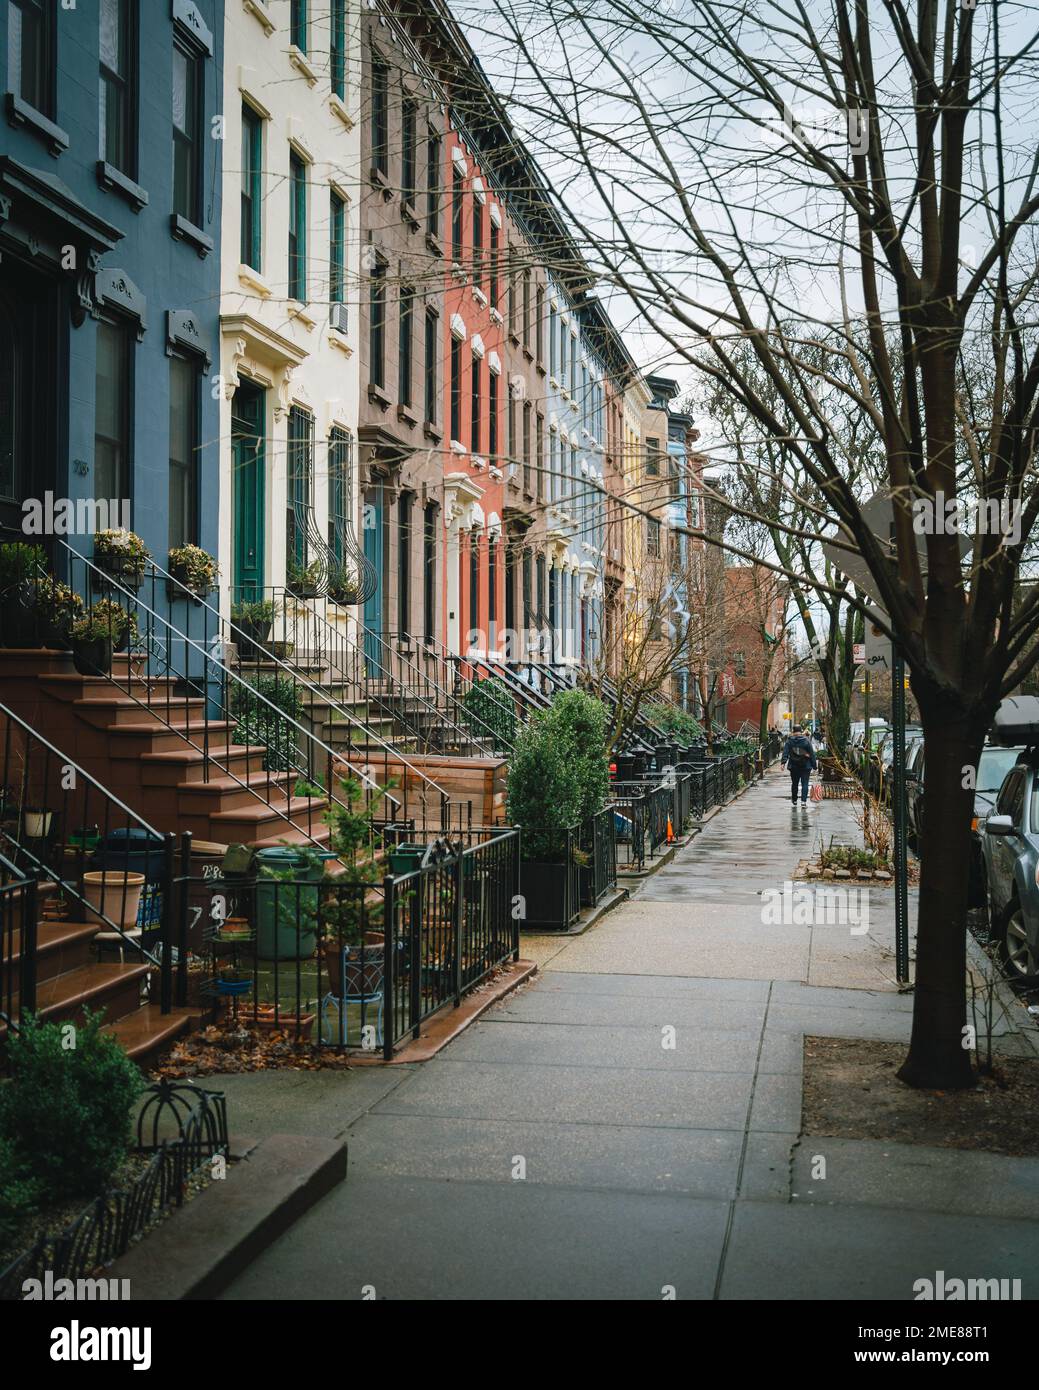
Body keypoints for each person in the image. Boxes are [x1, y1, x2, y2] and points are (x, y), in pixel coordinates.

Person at [782, 724, 817, 805]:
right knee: (805, 783)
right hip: (805, 765)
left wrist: (783, 762)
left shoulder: (789, 741)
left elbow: (785, 752)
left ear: (793, 731)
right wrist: (814, 765)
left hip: (794, 766)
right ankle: (803, 801)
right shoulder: (806, 740)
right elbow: (812, 754)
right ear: (801, 731)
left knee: (795, 783)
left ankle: (794, 800)